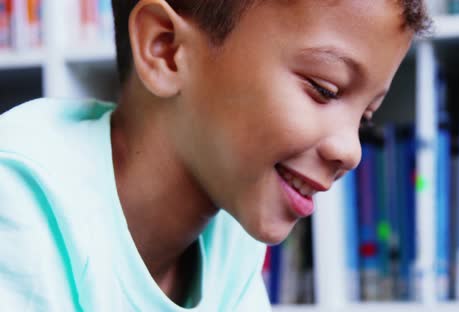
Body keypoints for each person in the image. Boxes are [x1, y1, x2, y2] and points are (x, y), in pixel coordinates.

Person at [0, 0, 430, 310]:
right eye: (325, 89)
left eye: (365, 118)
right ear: (166, 50)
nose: (351, 152)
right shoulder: (18, 199)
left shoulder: (230, 237)